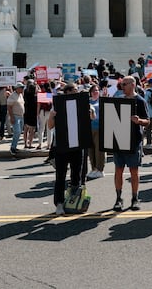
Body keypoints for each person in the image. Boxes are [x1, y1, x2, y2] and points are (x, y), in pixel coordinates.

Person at [47, 83, 91, 215]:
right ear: (67, 92)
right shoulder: (58, 105)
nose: (76, 92)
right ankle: (59, 204)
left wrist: (90, 112)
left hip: (77, 146)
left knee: (76, 176)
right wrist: (51, 116)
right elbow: (50, 126)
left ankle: (73, 201)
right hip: (62, 146)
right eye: (74, 91)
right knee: (60, 176)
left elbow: (91, 118)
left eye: (77, 90)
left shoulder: (81, 104)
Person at [110, 76, 150, 211]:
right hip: (119, 139)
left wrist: (139, 121)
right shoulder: (119, 100)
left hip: (134, 141)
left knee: (134, 170)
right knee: (118, 170)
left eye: (124, 84)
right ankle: (118, 199)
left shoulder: (140, 100)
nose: (122, 87)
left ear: (132, 85)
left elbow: (148, 121)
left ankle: (135, 198)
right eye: (121, 84)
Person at [87, 84, 106, 179]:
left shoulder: (102, 101)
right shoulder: (88, 101)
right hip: (89, 128)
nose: (95, 92)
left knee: (99, 149)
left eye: (97, 90)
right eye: (94, 90)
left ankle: (100, 169)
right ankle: (93, 168)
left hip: (99, 127)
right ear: (90, 92)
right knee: (91, 150)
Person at [7, 82, 25, 154]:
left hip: (21, 116)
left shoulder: (20, 95)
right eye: (21, 87)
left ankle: (14, 146)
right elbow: (9, 106)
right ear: (17, 88)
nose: (22, 89)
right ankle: (12, 148)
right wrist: (12, 117)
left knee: (19, 132)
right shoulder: (12, 96)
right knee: (17, 131)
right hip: (15, 116)